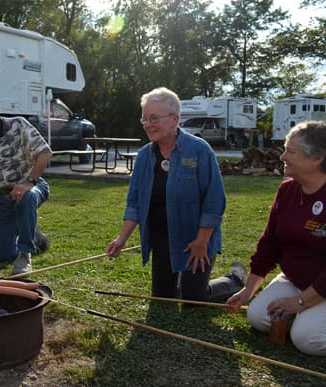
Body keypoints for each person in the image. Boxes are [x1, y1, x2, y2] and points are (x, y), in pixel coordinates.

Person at [106, 87, 245, 301]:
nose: (148, 125)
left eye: (153, 118)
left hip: (196, 239)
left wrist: (201, 242)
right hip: (162, 238)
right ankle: (184, 281)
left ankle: (235, 279)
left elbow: (214, 202)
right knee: (163, 298)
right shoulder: (144, 156)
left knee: (193, 299)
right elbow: (135, 202)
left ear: (175, 119)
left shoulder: (200, 150)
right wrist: (121, 239)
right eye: (144, 119)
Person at [227, 121, 326, 356]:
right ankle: (308, 317)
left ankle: (308, 321)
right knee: (259, 316)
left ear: (317, 158)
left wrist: (302, 302)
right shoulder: (287, 189)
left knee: (306, 339)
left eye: (291, 151)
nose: (282, 156)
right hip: (296, 279)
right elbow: (269, 244)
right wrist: (248, 291)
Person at [0, 89, 52, 275]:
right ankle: (35, 235)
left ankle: (25, 254)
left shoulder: (18, 125)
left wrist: (29, 182)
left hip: (33, 186)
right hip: (3, 200)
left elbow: (44, 153)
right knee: (4, 256)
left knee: (27, 198)